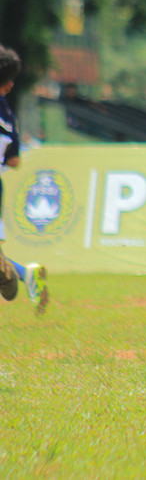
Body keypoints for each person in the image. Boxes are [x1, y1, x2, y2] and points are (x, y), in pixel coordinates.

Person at [0, 46, 49, 316]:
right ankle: (23, 273)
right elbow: (15, 161)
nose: (11, 85)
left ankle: (17, 274)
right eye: (9, 80)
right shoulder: (7, 115)